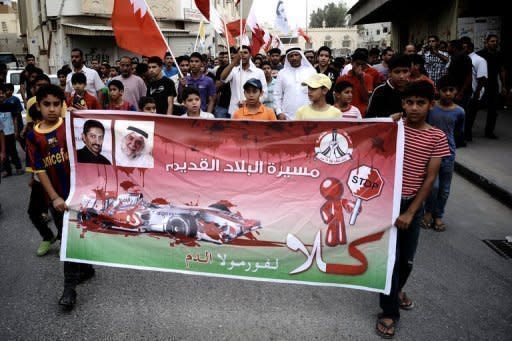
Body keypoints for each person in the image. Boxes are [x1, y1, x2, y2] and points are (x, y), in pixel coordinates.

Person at [377, 80, 450, 339]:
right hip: (388, 202)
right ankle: (389, 311)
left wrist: (411, 212)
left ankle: (396, 290)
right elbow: (370, 135)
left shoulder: (436, 136)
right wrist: (391, 119)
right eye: (409, 102)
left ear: (431, 104)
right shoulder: (395, 128)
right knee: (391, 261)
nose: (414, 108)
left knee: (407, 259)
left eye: (421, 103)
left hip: (412, 204)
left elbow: (430, 179)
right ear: (402, 104)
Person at [25, 84, 95, 309]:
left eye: (57, 104)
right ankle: (86, 269)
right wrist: (54, 197)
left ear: (63, 105)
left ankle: (69, 289)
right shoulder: (33, 135)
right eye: (47, 104)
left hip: (78, 195)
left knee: (70, 240)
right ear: (39, 106)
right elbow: (39, 170)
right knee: (69, 237)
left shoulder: (70, 126)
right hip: (56, 199)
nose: (52, 109)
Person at [423, 75, 464, 232]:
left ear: (456, 92)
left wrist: (452, 149)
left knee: (445, 188)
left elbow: (459, 131)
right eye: (444, 90)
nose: (447, 93)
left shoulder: (460, 112)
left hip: (448, 154)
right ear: (438, 91)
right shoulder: (431, 109)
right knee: (433, 186)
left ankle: (438, 215)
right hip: (431, 153)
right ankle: (428, 213)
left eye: (451, 90)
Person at [220, 45, 267, 116]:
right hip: (235, 111)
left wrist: (248, 102)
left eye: (245, 52)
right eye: (240, 53)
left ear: (250, 55)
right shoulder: (234, 71)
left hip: (254, 111)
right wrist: (234, 62)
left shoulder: (259, 72)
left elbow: (264, 93)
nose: (242, 55)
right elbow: (223, 78)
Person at [477, 34, 507, 139]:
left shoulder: (499, 55)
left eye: (496, 41)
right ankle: (467, 130)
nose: (495, 43)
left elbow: (502, 70)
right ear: (487, 42)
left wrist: (503, 86)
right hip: (480, 84)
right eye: (492, 41)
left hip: (493, 85)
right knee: (474, 107)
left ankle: (489, 132)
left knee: (493, 110)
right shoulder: (479, 55)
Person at [273, 47, 317, 120]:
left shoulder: (311, 71)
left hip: (309, 114)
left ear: (301, 56)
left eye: (296, 55)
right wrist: (279, 112)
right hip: (287, 115)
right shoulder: (282, 73)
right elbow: (277, 94)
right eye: (291, 56)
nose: (294, 58)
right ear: (288, 59)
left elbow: (317, 93)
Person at [366, 53, 411, 118]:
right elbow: (370, 119)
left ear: (410, 72)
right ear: (390, 72)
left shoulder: (415, 90)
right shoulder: (379, 92)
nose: (401, 76)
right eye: (397, 72)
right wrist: (389, 120)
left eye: (405, 71)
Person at [463, 40, 487, 142]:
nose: (462, 49)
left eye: (464, 47)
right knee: (465, 115)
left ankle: (467, 136)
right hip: (465, 92)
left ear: (470, 48)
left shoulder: (479, 60)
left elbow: (482, 78)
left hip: (474, 92)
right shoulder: (463, 58)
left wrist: (477, 93)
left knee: (470, 116)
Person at [337, 50, 374, 116]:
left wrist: (361, 80)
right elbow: (337, 98)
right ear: (352, 63)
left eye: (362, 65)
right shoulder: (342, 78)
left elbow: (366, 99)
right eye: (357, 64)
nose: (360, 67)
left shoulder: (368, 78)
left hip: (362, 114)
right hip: (345, 114)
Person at [0, 84, 22, 177]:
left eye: (2, 93)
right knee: (3, 151)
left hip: (10, 131)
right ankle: (7, 170)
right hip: (1, 132)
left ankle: (18, 167)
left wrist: (16, 131)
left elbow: (15, 119)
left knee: (12, 150)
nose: (1, 95)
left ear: (5, 94)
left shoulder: (10, 105)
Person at [214, 51, 232, 118]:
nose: (224, 59)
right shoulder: (220, 69)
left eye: (227, 57)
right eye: (224, 57)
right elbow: (217, 84)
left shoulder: (237, 69)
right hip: (222, 103)